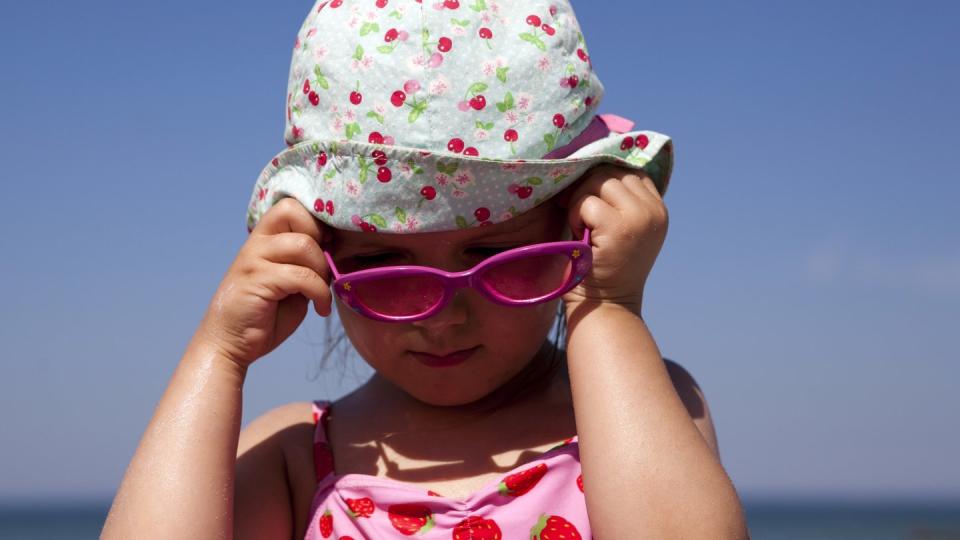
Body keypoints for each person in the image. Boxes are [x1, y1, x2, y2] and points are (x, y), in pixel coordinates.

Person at [103, 0, 748, 537]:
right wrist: (218, 357)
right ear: (320, 258)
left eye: (500, 257)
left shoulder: (638, 406)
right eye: (385, 268)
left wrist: (604, 304)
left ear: (574, 231)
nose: (443, 317)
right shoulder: (297, 454)